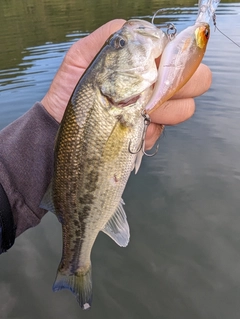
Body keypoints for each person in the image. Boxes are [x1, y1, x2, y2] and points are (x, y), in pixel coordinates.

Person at [0, 19, 212, 254]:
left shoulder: (111, 95)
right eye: (121, 43)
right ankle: (76, 262)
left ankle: (76, 257)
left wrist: (44, 128)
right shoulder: (106, 96)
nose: (130, 37)